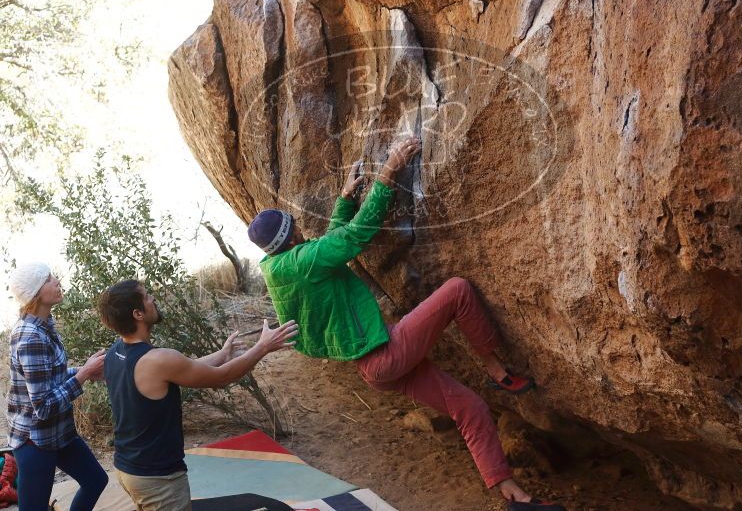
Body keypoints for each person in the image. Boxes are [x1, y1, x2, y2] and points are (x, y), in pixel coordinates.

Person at [247, 137, 564, 510]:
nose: (302, 231)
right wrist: (388, 172)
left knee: (470, 408)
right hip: (387, 353)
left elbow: (330, 245)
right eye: (296, 227)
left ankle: (513, 495)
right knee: (458, 291)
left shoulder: (284, 269)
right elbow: (353, 237)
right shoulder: (302, 261)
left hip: (377, 367)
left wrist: (346, 199)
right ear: (292, 236)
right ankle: (497, 371)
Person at [96, 279, 298, 511]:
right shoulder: (158, 359)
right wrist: (262, 347)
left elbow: (185, 370)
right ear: (138, 314)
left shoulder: (115, 353)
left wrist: (222, 354)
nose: (153, 299)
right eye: (147, 296)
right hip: (158, 479)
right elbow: (220, 378)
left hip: (129, 468)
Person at [6, 262, 108, 510]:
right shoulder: (30, 337)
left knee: (96, 480)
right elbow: (42, 405)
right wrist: (82, 375)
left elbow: (49, 376)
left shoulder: (44, 326)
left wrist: (84, 371)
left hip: (58, 433)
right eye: (50, 279)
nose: (57, 281)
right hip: (35, 441)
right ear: (37, 291)